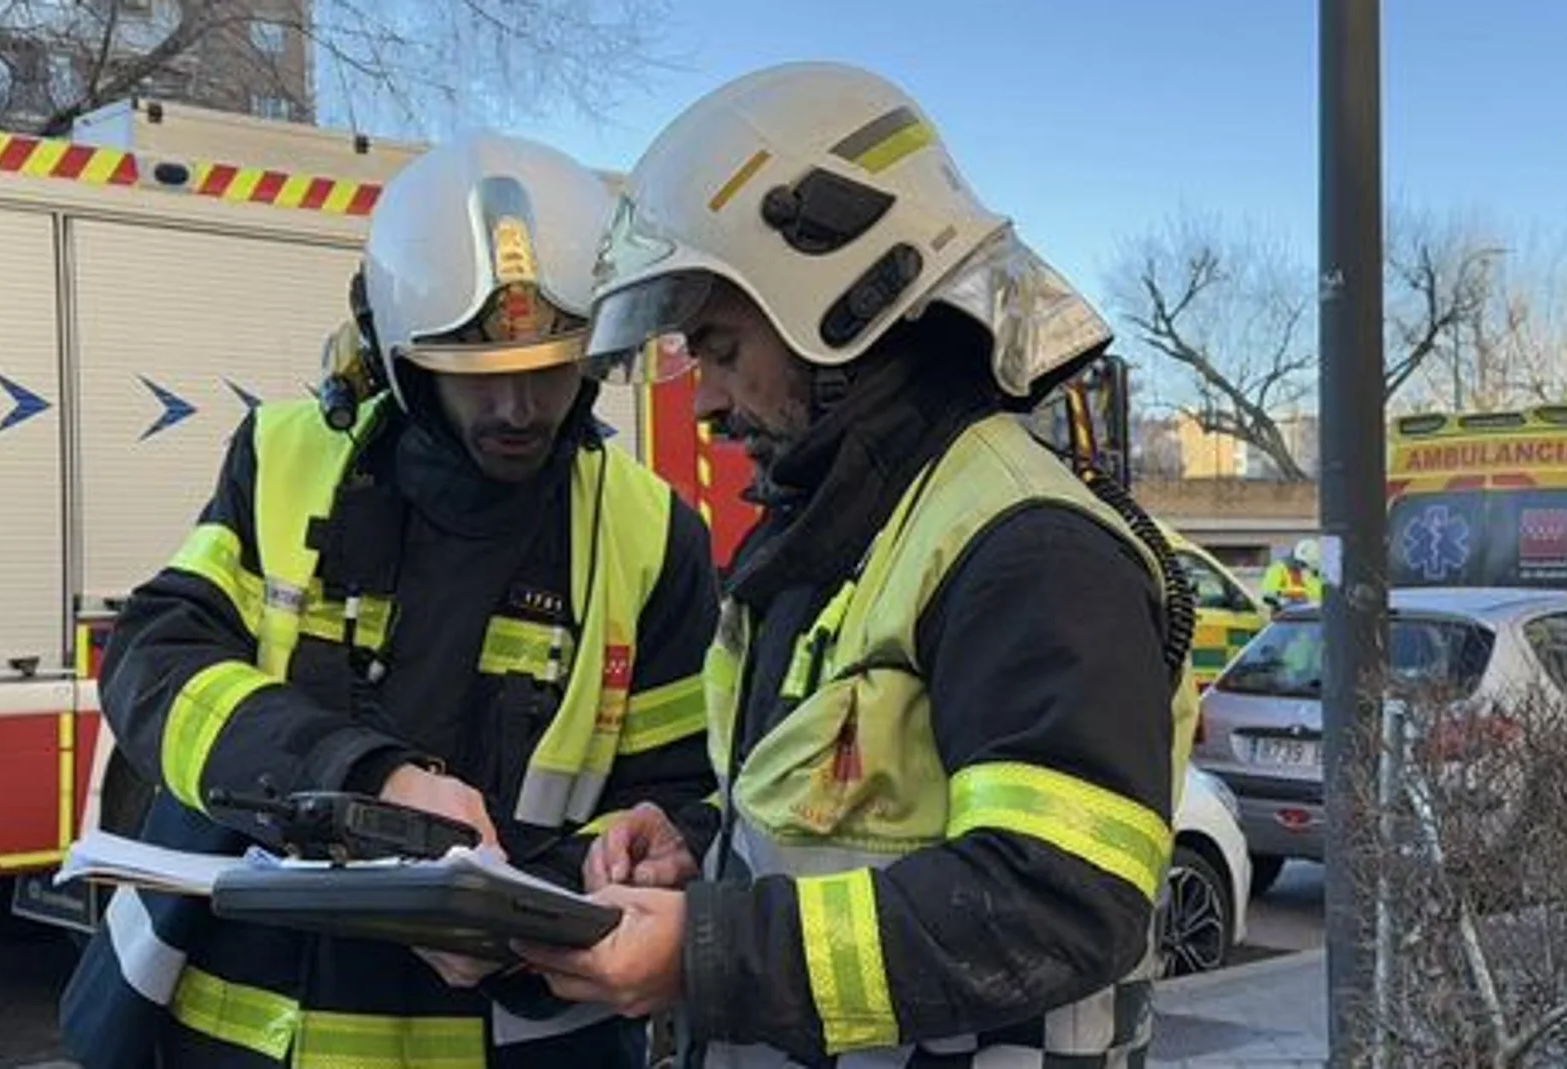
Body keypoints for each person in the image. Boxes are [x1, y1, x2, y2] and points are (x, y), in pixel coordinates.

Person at [514, 62, 1199, 1066]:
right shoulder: (847, 537)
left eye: (717, 346)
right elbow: (842, 832)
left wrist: (709, 952)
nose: (701, 402)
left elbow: (1052, 899)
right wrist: (696, 849)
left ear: (834, 304)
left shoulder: (1027, 552)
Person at [58, 131, 720, 1069]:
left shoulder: (651, 534)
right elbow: (158, 661)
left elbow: (682, 794)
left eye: (551, 368)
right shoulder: (281, 460)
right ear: (401, 360)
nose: (522, 410)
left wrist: (527, 911)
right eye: (480, 376)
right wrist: (371, 783)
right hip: (238, 1040)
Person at [1262, 537, 1325, 608]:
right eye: (1304, 564)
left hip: (1314, 613)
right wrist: (1292, 593)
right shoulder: (1278, 568)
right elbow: (1268, 594)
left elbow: (1319, 594)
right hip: (1287, 614)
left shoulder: (1315, 572)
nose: (1306, 567)